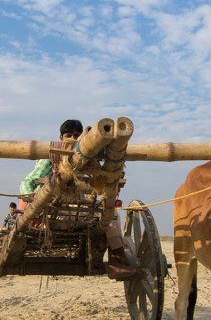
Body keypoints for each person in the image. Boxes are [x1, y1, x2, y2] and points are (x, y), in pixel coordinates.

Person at [18, 119, 141, 280]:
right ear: (61, 137)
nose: (73, 138)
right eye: (68, 135)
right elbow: (28, 182)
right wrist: (31, 204)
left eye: (77, 135)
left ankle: (118, 262)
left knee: (111, 217)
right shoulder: (52, 156)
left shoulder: (91, 158)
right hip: (50, 211)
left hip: (80, 212)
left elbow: (99, 184)